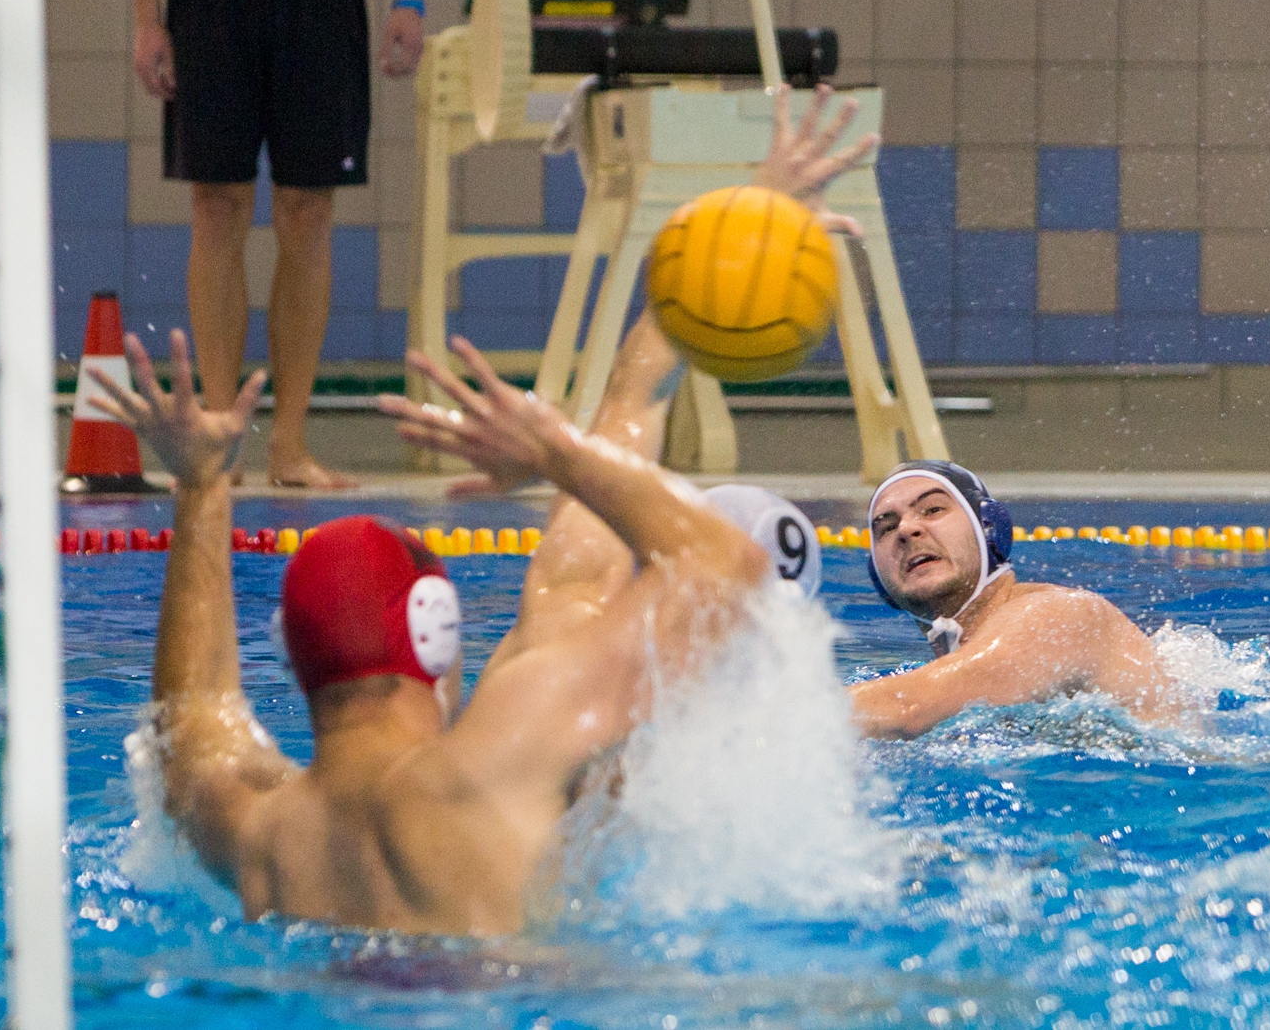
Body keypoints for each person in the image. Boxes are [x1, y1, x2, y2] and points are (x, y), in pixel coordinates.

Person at [85, 85, 875, 934]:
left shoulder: (258, 828)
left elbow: (190, 719)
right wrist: (560, 452)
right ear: (433, 632)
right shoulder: (503, 751)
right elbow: (726, 569)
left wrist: (202, 487)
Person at [130, 0, 426, 488]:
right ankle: (220, 440)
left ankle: (290, 445)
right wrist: (147, 19)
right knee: (216, 205)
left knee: (308, 210)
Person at [848, 462, 1175, 739]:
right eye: (886, 527)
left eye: (933, 510)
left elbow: (908, 710)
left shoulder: (1062, 616)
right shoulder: (951, 678)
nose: (906, 530)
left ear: (990, 528)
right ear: (878, 575)